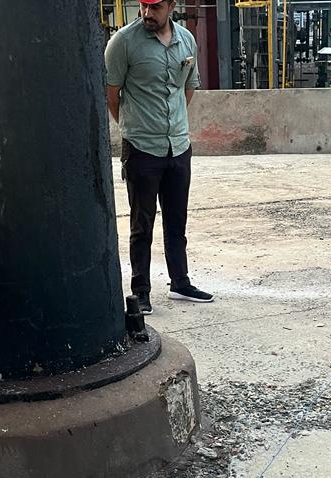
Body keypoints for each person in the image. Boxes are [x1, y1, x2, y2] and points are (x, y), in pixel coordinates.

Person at [105, 0, 213, 315]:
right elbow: (112, 94)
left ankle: (180, 282)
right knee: (142, 224)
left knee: (177, 221)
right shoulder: (123, 42)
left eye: (155, 7)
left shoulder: (186, 40)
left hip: (178, 147)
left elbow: (188, 88)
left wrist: (173, 125)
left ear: (171, 5)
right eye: (143, 6)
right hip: (141, 149)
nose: (147, 13)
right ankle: (140, 291)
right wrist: (134, 127)